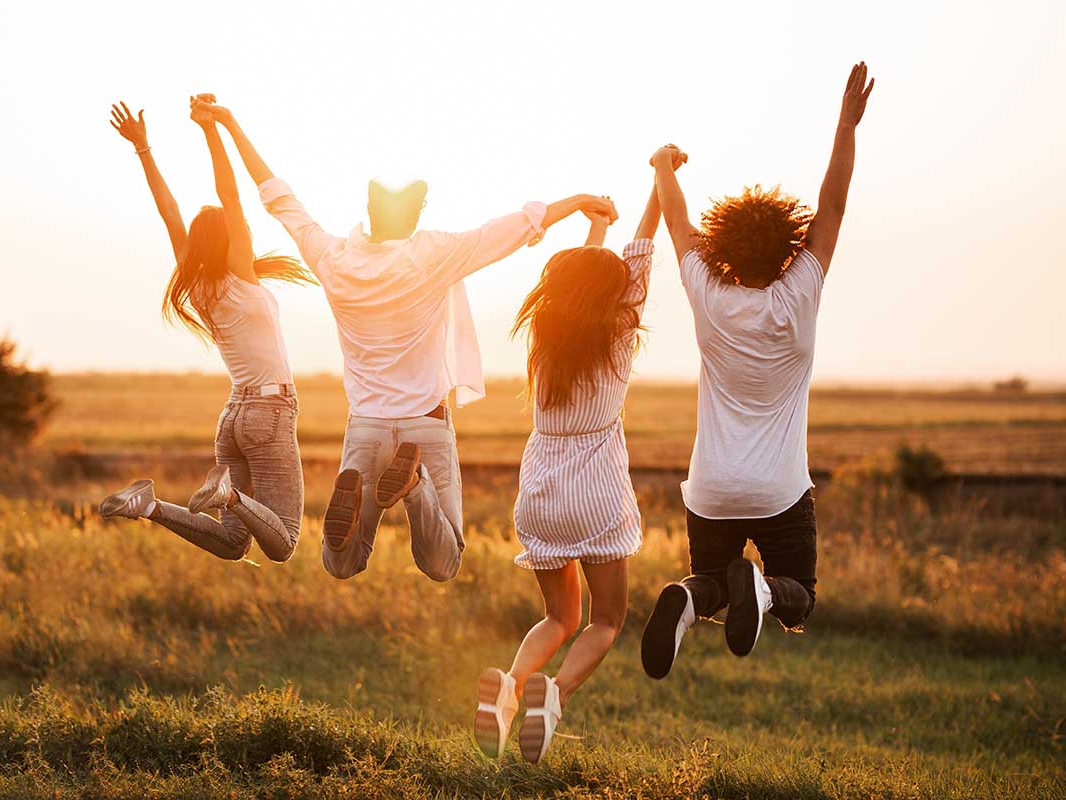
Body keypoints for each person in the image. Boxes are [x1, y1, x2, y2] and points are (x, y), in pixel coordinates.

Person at [191, 97, 619, 583]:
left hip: (367, 426)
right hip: (427, 426)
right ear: (415, 216)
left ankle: (353, 515)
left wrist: (226, 124)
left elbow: (277, 197)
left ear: (368, 212)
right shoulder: (435, 252)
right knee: (443, 563)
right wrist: (583, 202)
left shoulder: (333, 258)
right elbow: (518, 224)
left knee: (342, 564)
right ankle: (414, 487)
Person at [640, 63, 875, 679]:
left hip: (712, 488)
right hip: (778, 492)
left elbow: (676, 223)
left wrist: (664, 168)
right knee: (800, 591)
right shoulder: (800, 292)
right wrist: (845, 125)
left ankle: (687, 599)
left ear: (725, 248)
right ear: (787, 246)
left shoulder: (709, 295)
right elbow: (833, 203)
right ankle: (765, 592)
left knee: (711, 583)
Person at [471, 172, 676, 763]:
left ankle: (510, 687)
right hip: (596, 491)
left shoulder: (547, 333)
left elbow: (585, 280)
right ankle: (553, 696)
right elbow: (635, 259)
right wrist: (659, 184)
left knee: (558, 616)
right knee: (606, 619)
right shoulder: (617, 333)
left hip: (538, 487)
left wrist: (596, 225)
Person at [98, 99, 314, 565]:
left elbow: (168, 210)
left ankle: (150, 505)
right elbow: (231, 195)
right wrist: (211, 130)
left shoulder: (195, 283)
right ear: (230, 240)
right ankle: (228, 497)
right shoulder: (240, 272)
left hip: (232, 418)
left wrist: (143, 149)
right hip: (269, 412)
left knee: (234, 545)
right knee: (285, 543)